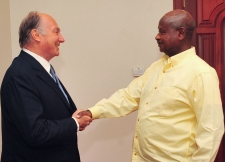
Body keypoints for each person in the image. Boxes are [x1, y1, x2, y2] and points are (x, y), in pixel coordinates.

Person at [78, 9, 224, 161]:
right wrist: (92, 112)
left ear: (181, 33)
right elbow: (128, 97)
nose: (157, 36)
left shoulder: (201, 73)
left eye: (162, 32)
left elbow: (211, 131)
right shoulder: (156, 67)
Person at [0, 11, 91, 162]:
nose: (62, 39)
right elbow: (36, 132)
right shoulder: (20, 74)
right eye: (56, 32)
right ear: (36, 35)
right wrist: (74, 123)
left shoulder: (41, 69)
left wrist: (75, 117)